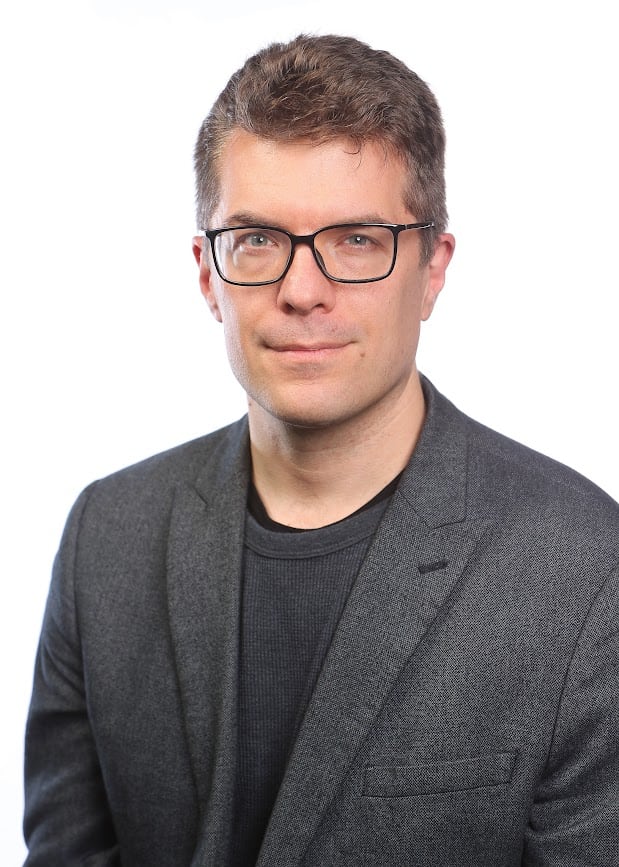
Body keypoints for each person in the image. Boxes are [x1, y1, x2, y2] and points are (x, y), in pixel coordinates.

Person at [23, 33, 619, 867]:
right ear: (207, 274)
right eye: (258, 239)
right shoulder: (107, 536)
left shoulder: (584, 570)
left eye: (355, 240)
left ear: (432, 269)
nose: (302, 290)